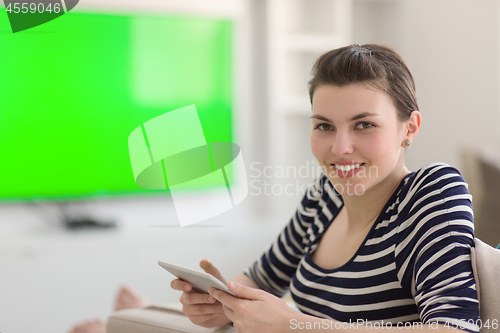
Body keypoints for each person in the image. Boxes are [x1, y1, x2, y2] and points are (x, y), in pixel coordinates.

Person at [170, 44, 480, 332]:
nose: (340, 148)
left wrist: (295, 325)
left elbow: (454, 328)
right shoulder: (325, 197)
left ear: (409, 128)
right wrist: (220, 301)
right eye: (324, 126)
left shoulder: (432, 192)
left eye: (364, 124)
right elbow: (260, 279)